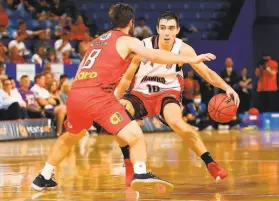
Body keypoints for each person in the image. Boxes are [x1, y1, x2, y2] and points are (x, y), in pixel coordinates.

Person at [31, 3, 214, 193]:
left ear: (112, 21)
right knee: (136, 137)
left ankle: (43, 176)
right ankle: (141, 172)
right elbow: (154, 55)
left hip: (76, 95)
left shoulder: (96, 41)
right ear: (131, 23)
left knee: (70, 137)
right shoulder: (127, 40)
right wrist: (190, 59)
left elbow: (79, 73)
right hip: (97, 96)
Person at [115, 11, 240, 186]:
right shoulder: (143, 45)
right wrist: (116, 97)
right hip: (140, 94)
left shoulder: (184, 49)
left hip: (167, 93)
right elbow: (127, 77)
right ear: (158, 29)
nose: (167, 32)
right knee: (118, 112)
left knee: (177, 123)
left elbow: (207, 74)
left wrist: (227, 88)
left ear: (177, 30)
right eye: (163, 28)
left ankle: (210, 162)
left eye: (171, 28)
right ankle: (128, 161)